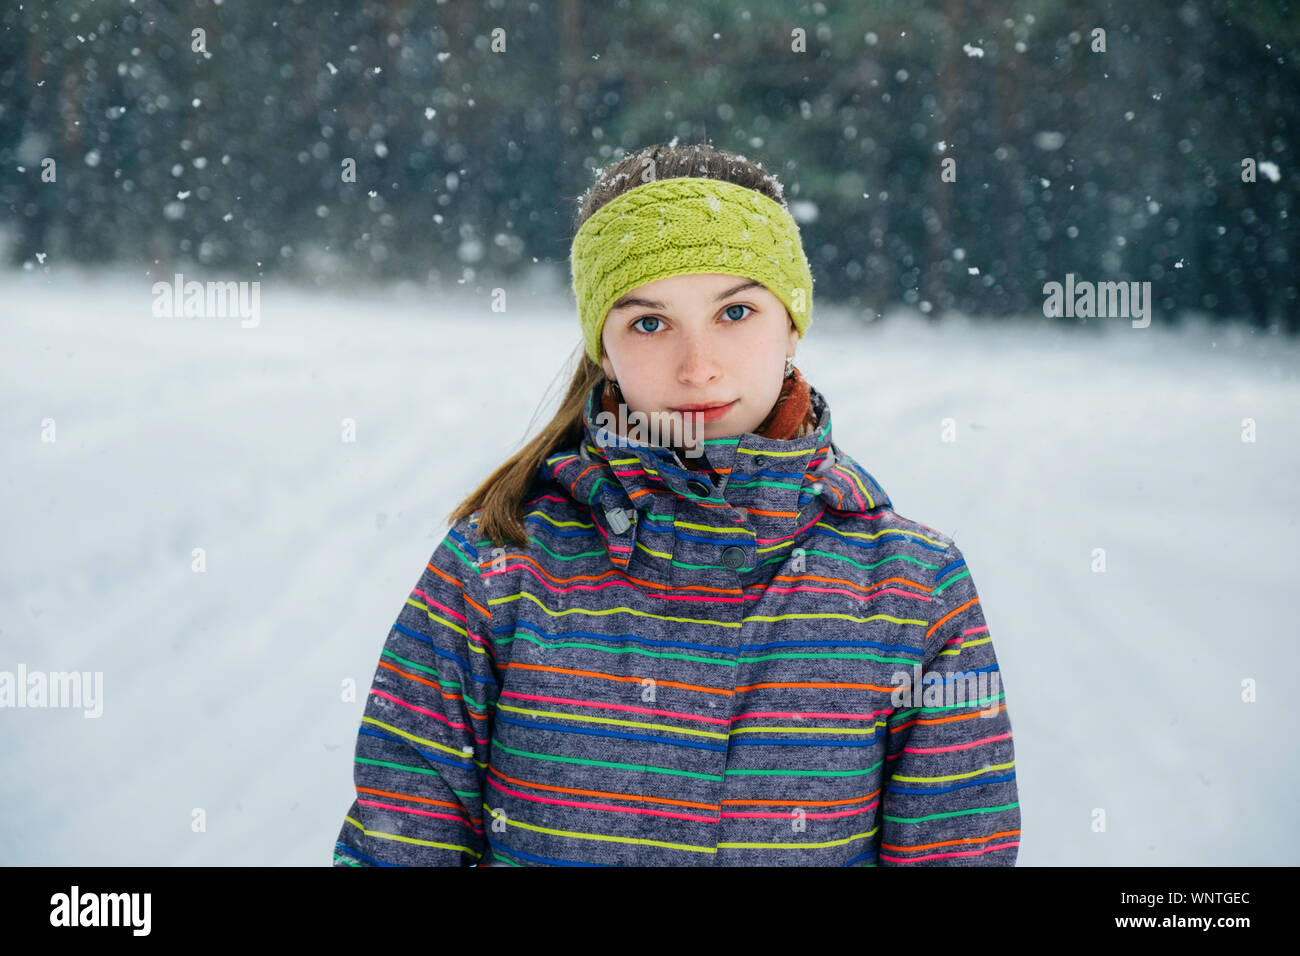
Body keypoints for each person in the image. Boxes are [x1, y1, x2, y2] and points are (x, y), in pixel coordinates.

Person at [331, 142, 1021, 867]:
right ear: (604, 347)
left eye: (736, 311)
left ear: (792, 320)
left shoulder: (914, 588)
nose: (698, 368)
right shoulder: (494, 569)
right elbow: (399, 846)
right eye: (650, 323)